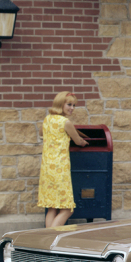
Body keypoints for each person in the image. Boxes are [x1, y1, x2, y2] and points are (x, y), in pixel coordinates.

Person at [38, 91, 88, 228]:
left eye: (74, 105)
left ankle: (47, 241)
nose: (72, 108)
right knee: (67, 209)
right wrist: (83, 142)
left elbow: (41, 134)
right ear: (61, 104)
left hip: (47, 168)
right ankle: (52, 238)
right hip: (60, 169)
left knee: (52, 208)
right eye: (69, 104)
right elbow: (78, 141)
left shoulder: (47, 119)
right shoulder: (66, 122)